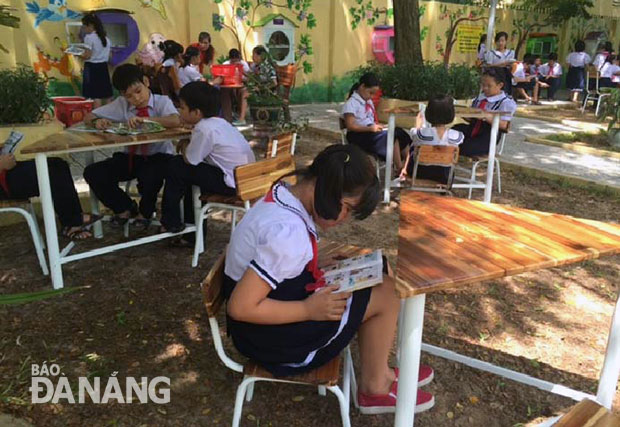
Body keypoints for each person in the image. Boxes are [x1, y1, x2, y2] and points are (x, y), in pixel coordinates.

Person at [223, 143, 435, 414]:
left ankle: (381, 369)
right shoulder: (288, 234)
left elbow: (269, 260)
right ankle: (375, 387)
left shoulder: (284, 195)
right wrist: (308, 309)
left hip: (271, 314)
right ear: (326, 188)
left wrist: (309, 264)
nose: (344, 218)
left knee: (378, 267)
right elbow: (240, 308)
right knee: (387, 293)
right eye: (346, 208)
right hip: (273, 341)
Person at [83, 64, 181, 230]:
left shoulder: (161, 102)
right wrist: (96, 121)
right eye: (129, 96)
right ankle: (125, 207)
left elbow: (175, 120)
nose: (136, 99)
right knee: (94, 172)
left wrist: (148, 121)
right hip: (131, 157)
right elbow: (89, 116)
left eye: (138, 91)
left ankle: (146, 212)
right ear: (122, 95)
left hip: (159, 157)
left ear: (146, 82)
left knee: (150, 174)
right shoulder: (122, 105)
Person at [160, 81, 255, 233]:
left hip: (232, 183)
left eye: (183, 107)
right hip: (245, 178)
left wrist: (184, 144)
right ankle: (190, 233)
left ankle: (171, 221)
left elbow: (190, 159)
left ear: (196, 113)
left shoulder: (204, 129)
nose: (179, 111)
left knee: (176, 165)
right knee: (189, 175)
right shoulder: (220, 123)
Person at [0, 154, 100, 240]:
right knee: (52, 172)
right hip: (4, 187)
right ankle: (72, 221)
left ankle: (72, 220)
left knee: (58, 164)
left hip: (6, 173)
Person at [342, 72, 411, 172]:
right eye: (370, 93)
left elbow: (370, 119)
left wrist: (377, 126)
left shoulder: (367, 102)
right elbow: (351, 126)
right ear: (362, 87)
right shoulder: (351, 104)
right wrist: (370, 128)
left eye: (374, 94)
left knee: (399, 132)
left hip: (370, 131)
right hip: (358, 135)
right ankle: (399, 169)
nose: (372, 96)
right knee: (392, 136)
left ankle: (409, 167)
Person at [400, 94, 464, 184]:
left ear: (428, 113)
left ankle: (404, 171)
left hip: (420, 173)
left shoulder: (421, 134)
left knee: (414, 146)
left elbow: (414, 135)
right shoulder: (457, 136)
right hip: (444, 176)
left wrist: (418, 125)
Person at [453, 69, 517, 157]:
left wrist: (486, 116)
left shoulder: (506, 102)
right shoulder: (480, 98)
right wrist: (462, 113)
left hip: (488, 136)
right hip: (472, 129)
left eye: (489, 86)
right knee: (449, 135)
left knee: (462, 146)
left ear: (500, 85)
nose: (485, 88)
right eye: (483, 85)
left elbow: (504, 125)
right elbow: (471, 119)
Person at [80, 13, 112, 108]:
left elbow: (88, 55)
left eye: (85, 27)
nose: (84, 29)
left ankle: (96, 118)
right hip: (104, 67)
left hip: (92, 68)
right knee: (106, 94)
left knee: (95, 95)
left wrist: (78, 54)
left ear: (91, 25)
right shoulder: (106, 39)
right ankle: (109, 117)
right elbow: (110, 56)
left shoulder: (89, 38)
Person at [222, 48, 251, 126]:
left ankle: (242, 118)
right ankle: (228, 117)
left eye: (236, 60)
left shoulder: (243, 64)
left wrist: (241, 71)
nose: (234, 63)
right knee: (225, 92)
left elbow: (249, 78)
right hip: (229, 85)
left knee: (243, 91)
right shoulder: (226, 64)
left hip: (241, 85)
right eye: (233, 61)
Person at [154, 40, 184, 105]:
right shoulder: (171, 67)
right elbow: (177, 88)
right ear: (178, 54)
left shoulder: (162, 64)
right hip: (172, 100)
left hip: (163, 97)